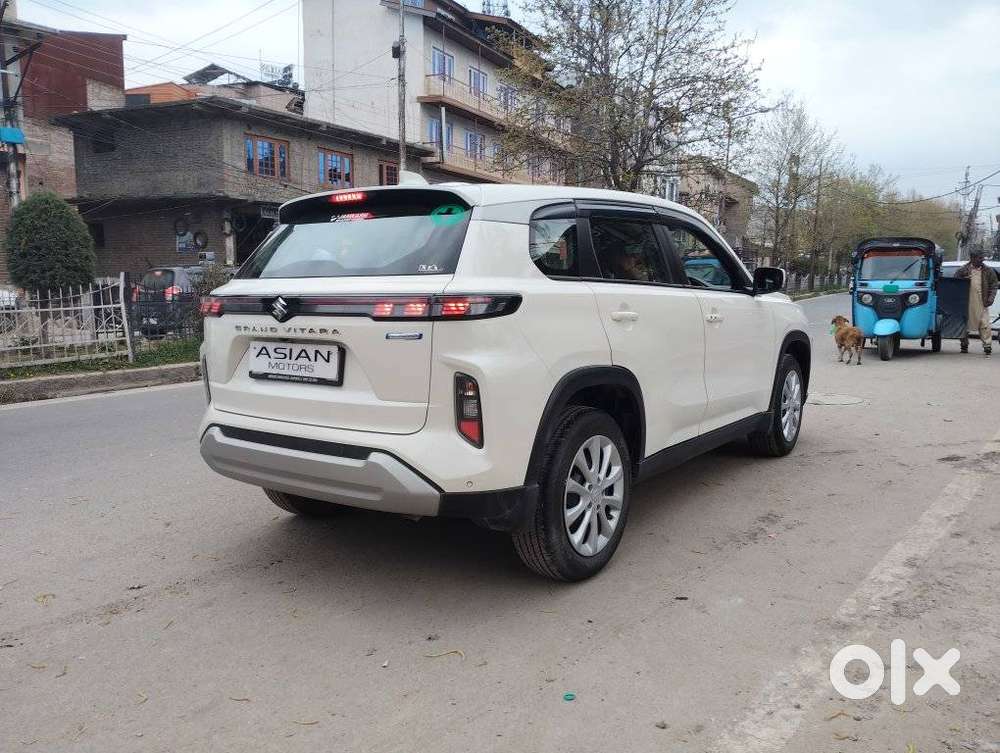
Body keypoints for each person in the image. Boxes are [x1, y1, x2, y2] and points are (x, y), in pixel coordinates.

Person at [955, 249, 998, 356]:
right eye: (979, 257)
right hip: (966, 302)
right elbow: (955, 282)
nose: (982, 260)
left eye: (982, 257)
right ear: (972, 258)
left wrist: (990, 298)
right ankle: (964, 345)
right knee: (965, 325)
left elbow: (994, 285)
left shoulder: (988, 270)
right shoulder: (963, 270)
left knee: (985, 324)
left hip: (982, 302)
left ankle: (987, 346)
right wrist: (964, 279)